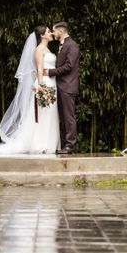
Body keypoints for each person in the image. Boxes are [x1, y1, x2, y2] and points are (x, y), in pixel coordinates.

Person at [0, 26, 60, 155]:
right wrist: (41, 88)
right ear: (42, 35)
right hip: (45, 83)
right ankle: (40, 144)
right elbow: (39, 69)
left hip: (52, 84)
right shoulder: (39, 50)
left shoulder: (47, 49)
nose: (51, 33)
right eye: (48, 31)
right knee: (42, 115)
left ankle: (48, 143)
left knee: (50, 114)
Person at [44, 22, 80, 154]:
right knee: (62, 117)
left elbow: (69, 66)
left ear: (61, 30)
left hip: (67, 86)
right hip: (60, 85)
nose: (53, 33)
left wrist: (50, 72)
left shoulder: (72, 45)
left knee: (68, 116)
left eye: (54, 31)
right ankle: (65, 145)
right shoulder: (62, 44)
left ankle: (70, 145)